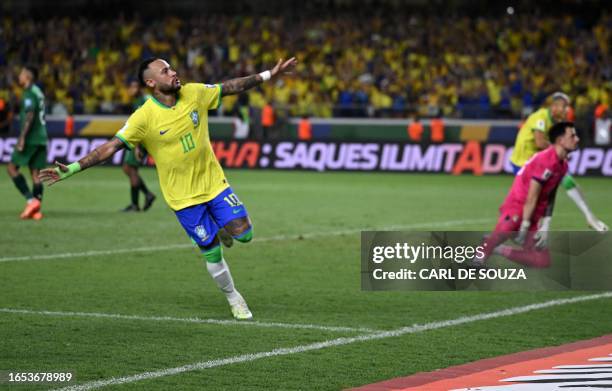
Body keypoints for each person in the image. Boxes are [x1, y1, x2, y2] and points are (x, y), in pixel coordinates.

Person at [40, 56, 297, 320]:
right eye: (165, 71)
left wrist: (269, 74)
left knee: (244, 235)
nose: (173, 72)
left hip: (214, 184)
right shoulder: (144, 116)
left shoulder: (194, 92)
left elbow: (230, 87)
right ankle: (234, 298)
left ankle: (221, 227)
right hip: (182, 198)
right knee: (212, 251)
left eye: (172, 68)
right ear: (152, 82)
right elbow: (110, 147)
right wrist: (72, 168)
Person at [475, 122, 579, 268]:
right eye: (572, 136)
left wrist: (545, 225)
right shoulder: (545, 160)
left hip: (534, 212)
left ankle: (497, 248)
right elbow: (532, 195)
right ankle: (477, 260)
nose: (577, 139)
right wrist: (524, 225)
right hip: (518, 205)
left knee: (542, 261)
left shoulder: (563, 165)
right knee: (505, 231)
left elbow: (551, 194)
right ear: (560, 140)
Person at [509, 92, 607, 232]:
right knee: (532, 200)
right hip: (522, 162)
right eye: (564, 106)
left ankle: (590, 218)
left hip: (538, 161)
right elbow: (540, 142)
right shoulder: (540, 117)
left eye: (567, 106)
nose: (567, 109)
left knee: (562, 182)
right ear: (554, 107)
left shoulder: (558, 123)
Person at [7, 66, 47, 220]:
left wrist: (22, 137)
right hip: (42, 136)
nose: (19, 76)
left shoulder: (29, 93)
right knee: (36, 174)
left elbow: (30, 114)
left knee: (11, 168)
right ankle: (36, 211)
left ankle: (31, 201)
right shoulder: (38, 91)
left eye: (22, 74)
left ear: (28, 77)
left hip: (31, 137)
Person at [121, 80, 156, 212]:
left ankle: (138, 202)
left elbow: (143, 124)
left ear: (140, 88)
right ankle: (145, 196)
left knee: (129, 168)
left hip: (141, 139)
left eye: (134, 86)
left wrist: (137, 146)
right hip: (142, 138)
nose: (131, 89)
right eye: (130, 86)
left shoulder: (144, 100)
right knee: (129, 168)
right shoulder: (140, 100)